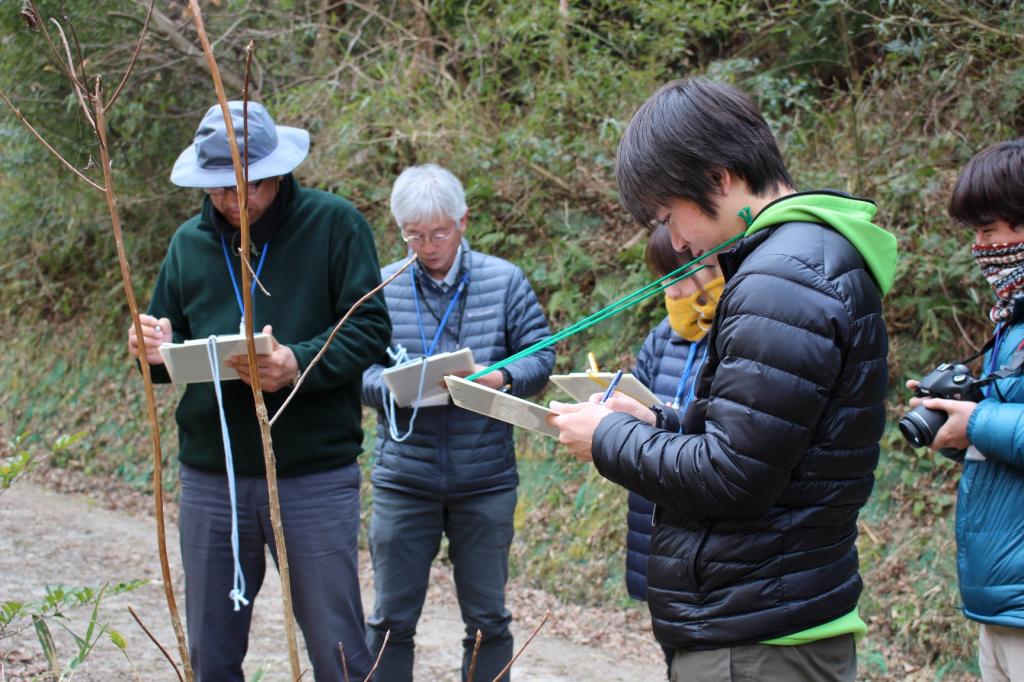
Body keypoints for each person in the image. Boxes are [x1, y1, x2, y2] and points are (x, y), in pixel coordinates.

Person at [549, 78, 898, 681]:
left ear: (718, 177)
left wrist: (608, 440)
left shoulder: (781, 279)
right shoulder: (803, 259)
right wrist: (656, 422)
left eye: (669, 216)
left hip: (758, 636)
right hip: (774, 613)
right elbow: (767, 440)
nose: (677, 241)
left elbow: (734, 477)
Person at [127, 101, 390, 681]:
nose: (230, 199)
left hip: (313, 475)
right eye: (217, 187)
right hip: (211, 477)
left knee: (337, 646)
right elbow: (165, 353)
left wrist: (297, 363)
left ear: (275, 170)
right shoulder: (187, 244)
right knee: (212, 652)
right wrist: (151, 347)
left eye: (244, 183)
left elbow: (370, 327)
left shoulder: (334, 224)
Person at [361, 164, 554, 681]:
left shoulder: (503, 279)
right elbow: (357, 368)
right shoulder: (380, 287)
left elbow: (541, 357)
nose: (427, 245)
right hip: (404, 478)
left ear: (463, 221)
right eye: (414, 235)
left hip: (485, 479)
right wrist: (392, 387)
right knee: (390, 619)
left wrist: (501, 378)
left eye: (439, 232)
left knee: (488, 619)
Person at [905, 140, 1024, 681]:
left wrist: (975, 420)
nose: (980, 250)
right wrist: (958, 423)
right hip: (999, 597)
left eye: (989, 231)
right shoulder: (1011, 323)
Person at [626, 226, 723, 678]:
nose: (675, 291)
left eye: (684, 276)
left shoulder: (737, 333)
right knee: (672, 647)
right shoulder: (662, 338)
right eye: (667, 279)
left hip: (712, 524)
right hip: (655, 515)